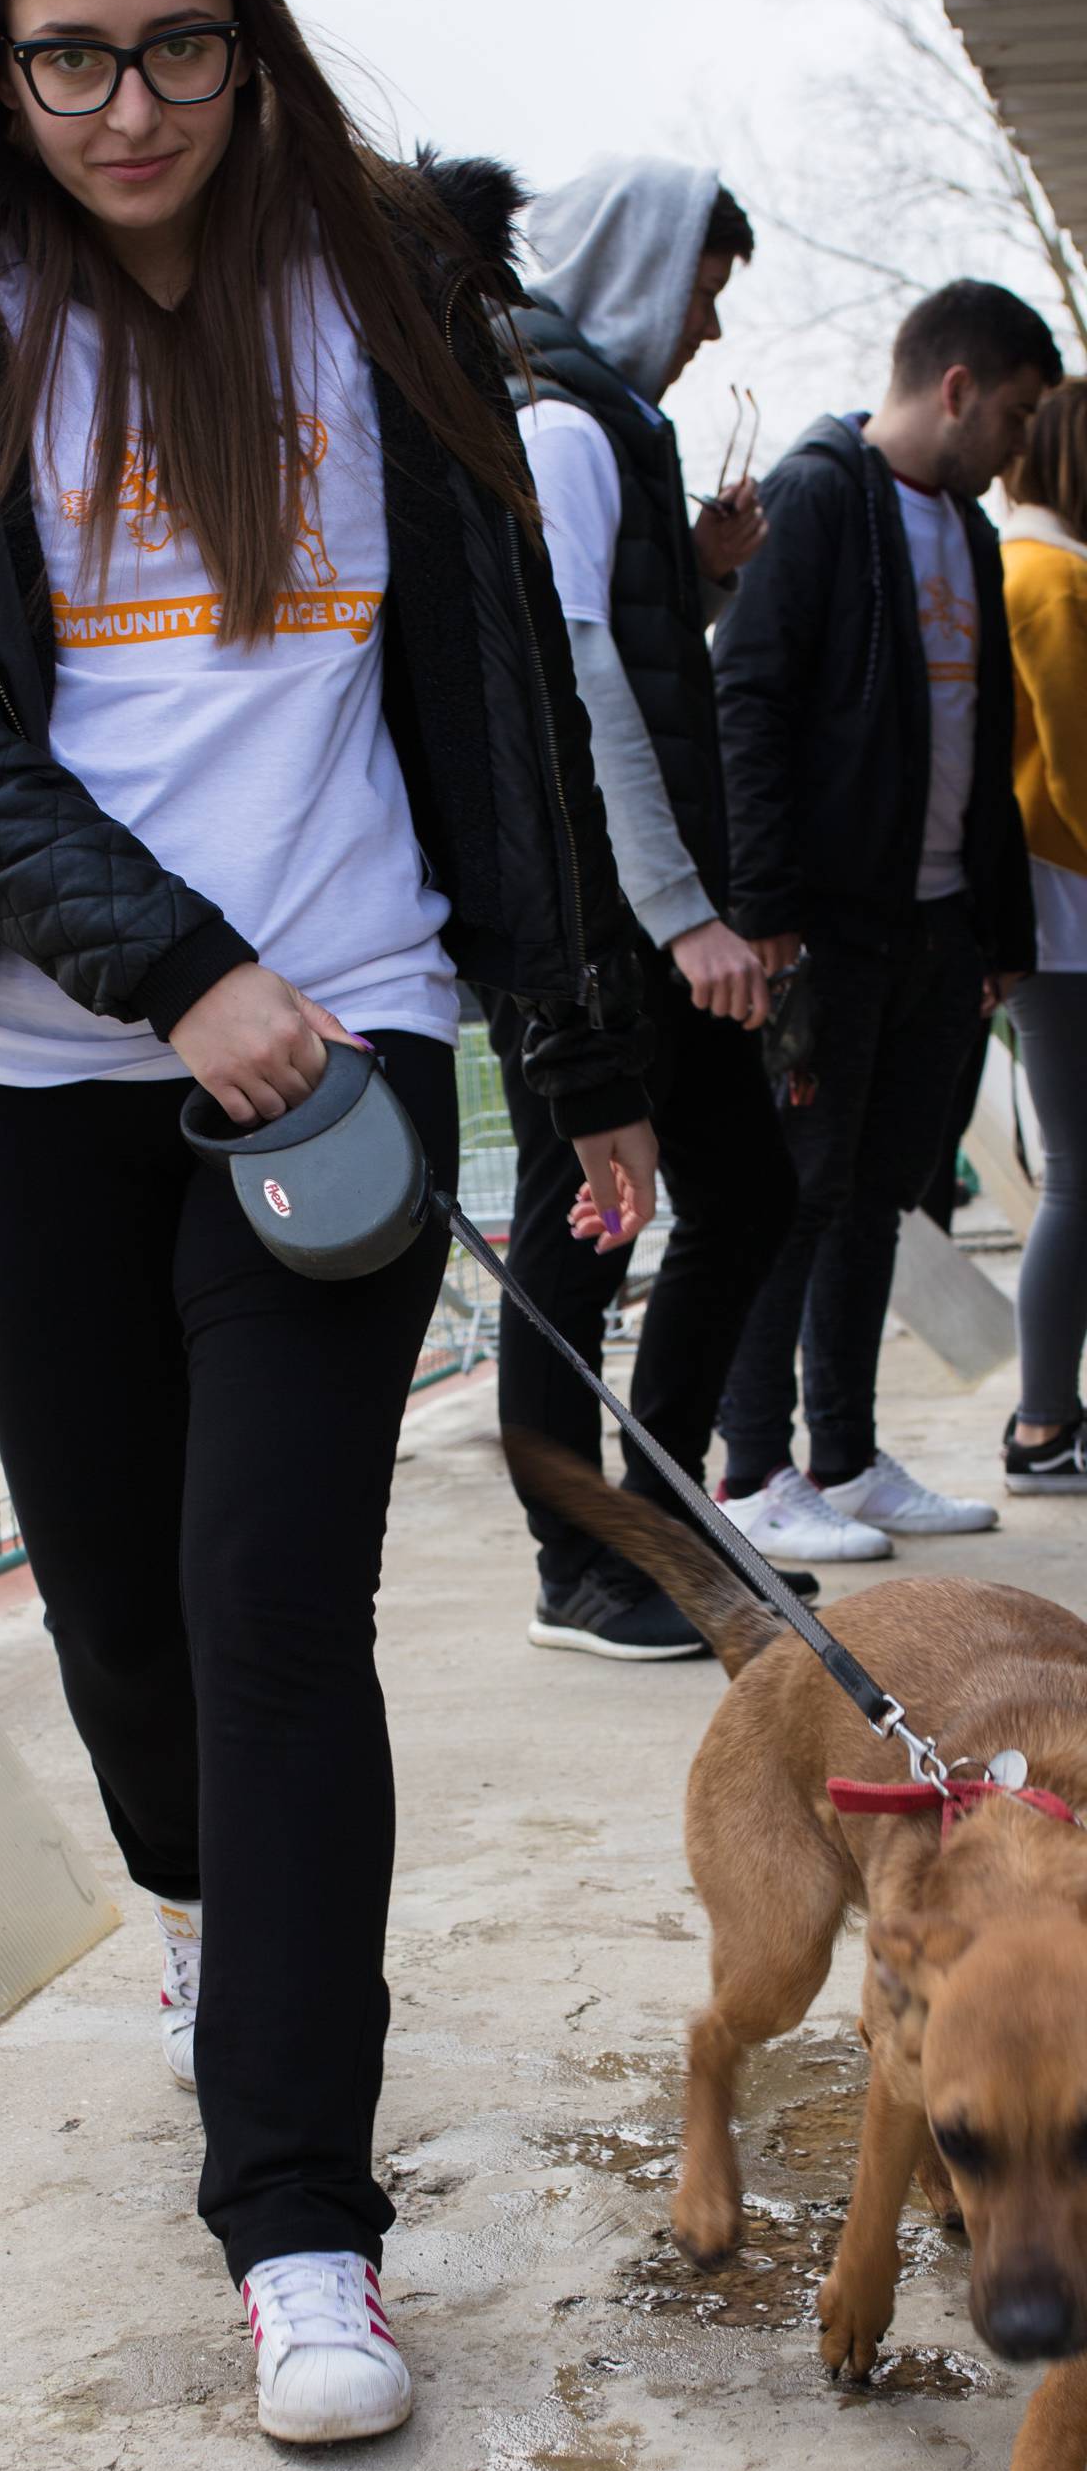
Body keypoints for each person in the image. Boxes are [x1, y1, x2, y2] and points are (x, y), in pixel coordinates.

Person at [0, 0, 655, 2450]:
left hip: (340, 1050)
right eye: (72, 64)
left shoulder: (377, 297)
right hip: (25, 1070)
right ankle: (197, 1924)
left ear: (253, 47)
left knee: (275, 1615)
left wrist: (570, 1053)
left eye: (181, 55)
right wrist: (170, 969)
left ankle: (304, 2225)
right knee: (120, 1612)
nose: (130, 112)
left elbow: (490, 702)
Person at [490, 157, 800, 1661]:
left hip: (655, 910)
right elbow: (578, 682)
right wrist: (681, 913)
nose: (707, 332)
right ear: (631, 269)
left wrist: (703, 575)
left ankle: (662, 1517)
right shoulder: (558, 422)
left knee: (745, 1195)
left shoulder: (615, 425)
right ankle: (579, 1567)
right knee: (581, 1232)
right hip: (601, 924)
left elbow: (640, 653)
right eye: (699, 292)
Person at [712, 277, 1060, 1564]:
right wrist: (764, 912)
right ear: (956, 389)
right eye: (1016, 414)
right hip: (826, 931)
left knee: (878, 1202)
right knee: (793, 1198)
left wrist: (996, 931)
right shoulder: (817, 497)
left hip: (936, 931)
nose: (1021, 446)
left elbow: (991, 738)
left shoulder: (964, 528)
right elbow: (748, 700)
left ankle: (843, 1459)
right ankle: (754, 1472)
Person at [999, 376, 1087, 1493]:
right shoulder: (1055, 579)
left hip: (1053, 915)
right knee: (1077, 1176)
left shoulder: (1030, 567)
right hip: (1068, 919)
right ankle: (1042, 1426)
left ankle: (1047, 1420)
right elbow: (1076, 767)